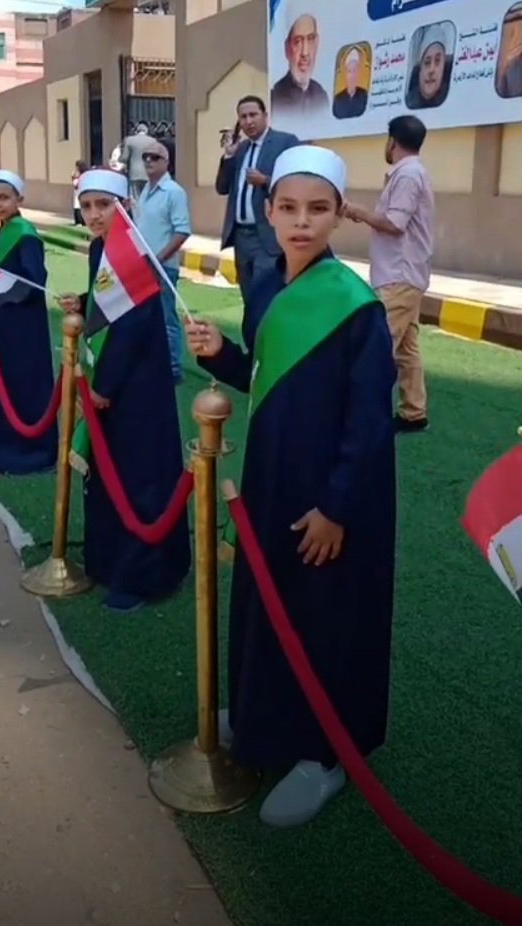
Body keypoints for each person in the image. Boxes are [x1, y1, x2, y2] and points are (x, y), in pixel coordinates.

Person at [186, 145, 396, 828]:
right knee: (270, 598)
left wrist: (337, 507)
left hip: (331, 497)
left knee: (327, 616)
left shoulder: (355, 307)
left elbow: (370, 422)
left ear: (338, 215)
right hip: (271, 479)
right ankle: (263, 713)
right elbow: (265, 376)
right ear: (269, 211)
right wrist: (222, 355)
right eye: (289, 208)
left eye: (318, 209)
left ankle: (325, 753)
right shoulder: (266, 285)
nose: (302, 221)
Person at [59, 168, 190, 613]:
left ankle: (142, 575)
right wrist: (83, 301)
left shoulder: (134, 253)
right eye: (87, 206)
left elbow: (131, 325)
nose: (95, 214)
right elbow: (108, 305)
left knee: (139, 477)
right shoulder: (103, 247)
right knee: (109, 471)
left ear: (125, 206)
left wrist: (103, 386)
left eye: (104, 205)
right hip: (115, 380)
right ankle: (108, 561)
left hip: (138, 388)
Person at [344, 115, 434, 434]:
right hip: (405, 273)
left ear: (392, 141)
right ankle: (414, 412)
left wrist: (357, 211)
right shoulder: (411, 172)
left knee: (379, 347)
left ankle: (365, 415)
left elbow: (395, 224)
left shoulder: (407, 175)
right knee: (407, 348)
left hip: (399, 275)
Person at [0, 169, 58, 475]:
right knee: (7, 384)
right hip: (6, 322)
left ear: (19, 199)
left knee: (26, 386)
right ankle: (8, 447)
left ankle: (32, 452)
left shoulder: (25, 234)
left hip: (25, 325)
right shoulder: (3, 230)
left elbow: (34, 281)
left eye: (4, 197)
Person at [216, 95, 298, 306]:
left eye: (253, 115)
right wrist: (228, 157)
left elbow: (295, 185)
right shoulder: (241, 148)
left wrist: (265, 181)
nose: (248, 121)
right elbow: (222, 187)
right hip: (241, 238)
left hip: (267, 237)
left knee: (267, 298)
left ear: (265, 116)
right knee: (249, 300)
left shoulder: (284, 142)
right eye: (243, 117)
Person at [134, 140, 191, 383]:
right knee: (147, 317)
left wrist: (158, 259)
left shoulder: (174, 192)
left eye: (155, 157)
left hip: (163, 267)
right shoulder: (145, 190)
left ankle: (173, 368)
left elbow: (182, 231)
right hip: (144, 265)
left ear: (167, 162)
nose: (148, 160)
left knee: (167, 319)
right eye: (145, 156)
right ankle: (154, 362)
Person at [271, 11, 330, 116]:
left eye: (310, 39)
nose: (305, 52)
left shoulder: (321, 97)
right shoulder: (275, 99)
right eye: (297, 42)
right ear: (287, 49)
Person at [405, 24, 452, 109]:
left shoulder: (451, 98)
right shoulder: (409, 102)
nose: (431, 70)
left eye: (437, 61)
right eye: (427, 63)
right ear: (420, 70)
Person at [119, 123, 153, 200]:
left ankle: (137, 208)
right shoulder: (152, 141)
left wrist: (119, 159)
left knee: (135, 197)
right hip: (148, 172)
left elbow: (124, 158)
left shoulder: (129, 140)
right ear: (146, 131)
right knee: (147, 196)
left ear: (137, 131)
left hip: (134, 173)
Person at [332, 47, 368, 119]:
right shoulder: (338, 99)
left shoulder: (364, 95)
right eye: (349, 71)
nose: (352, 76)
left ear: (358, 73)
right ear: (345, 74)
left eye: (354, 71)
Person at [71, 160, 88, 225]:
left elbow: (76, 185)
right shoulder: (83, 175)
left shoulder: (82, 175)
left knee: (78, 206)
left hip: (80, 193)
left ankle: (80, 221)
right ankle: (81, 221)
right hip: (80, 193)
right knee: (78, 205)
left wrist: (73, 178)